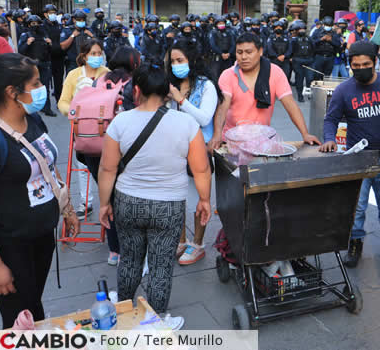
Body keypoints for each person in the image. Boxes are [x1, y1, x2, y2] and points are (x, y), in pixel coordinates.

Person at [98, 63, 211, 324]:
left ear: (136, 90)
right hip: (169, 206)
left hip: (129, 202)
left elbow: (107, 168)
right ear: (167, 92)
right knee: (161, 266)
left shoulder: (121, 122)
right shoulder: (187, 123)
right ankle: (155, 323)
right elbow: (202, 169)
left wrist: (104, 203)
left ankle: (125, 315)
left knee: (130, 260)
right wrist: (204, 200)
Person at [0, 53, 79, 328]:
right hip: (10, 245)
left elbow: (48, 165)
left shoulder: (34, 119)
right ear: (12, 92)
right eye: (36, 83)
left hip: (41, 237)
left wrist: (67, 209)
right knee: (18, 319)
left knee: (32, 304)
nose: (42, 89)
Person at [319, 41, 380, 268]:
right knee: (356, 206)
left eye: (366, 64)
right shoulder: (344, 90)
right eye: (355, 65)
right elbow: (330, 119)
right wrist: (329, 139)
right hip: (357, 159)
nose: (361, 68)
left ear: (375, 62)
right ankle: (355, 243)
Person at [79, 46, 140, 266]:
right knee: (125, 200)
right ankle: (130, 247)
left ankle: (114, 250)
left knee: (108, 199)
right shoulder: (132, 84)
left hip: (93, 148)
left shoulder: (98, 81)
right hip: (120, 151)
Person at [209, 33, 320, 150]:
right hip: (232, 140)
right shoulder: (228, 75)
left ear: (260, 51)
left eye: (249, 52)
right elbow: (222, 107)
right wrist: (217, 135)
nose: (244, 57)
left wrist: (305, 134)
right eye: (239, 52)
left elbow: (290, 104)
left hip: (262, 140)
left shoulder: (275, 72)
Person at [167, 41, 222, 265]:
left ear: (192, 60)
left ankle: (197, 244)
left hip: (200, 149)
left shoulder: (206, 86)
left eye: (180, 60)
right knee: (176, 197)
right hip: (174, 149)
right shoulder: (171, 84)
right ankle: (181, 241)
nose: (176, 65)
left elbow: (204, 118)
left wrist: (180, 99)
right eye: (172, 61)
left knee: (201, 198)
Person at [58, 39, 109, 218]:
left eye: (99, 53)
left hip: (103, 128)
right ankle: (85, 202)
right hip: (80, 128)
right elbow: (62, 101)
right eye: (93, 54)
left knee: (106, 165)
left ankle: (107, 201)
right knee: (82, 165)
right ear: (84, 56)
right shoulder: (74, 75)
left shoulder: (107, 74)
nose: (97, 57)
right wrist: (73, 111)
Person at [17, 15, 56, 117]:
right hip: (32, 65)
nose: (36, 25)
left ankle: (47, 108)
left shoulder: (43, 34)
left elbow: (50, 51)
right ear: (29, 24)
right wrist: (27, 43)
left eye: (37, 23)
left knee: (45, 86)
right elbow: (20, 50)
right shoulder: (26, 35)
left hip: (44, 63)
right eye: (33, 23)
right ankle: (30, 107)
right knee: (30, 87)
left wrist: (50, 44)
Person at [42, 4, 65, 108]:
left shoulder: (58, 25)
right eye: (50, 13)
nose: (53, 15)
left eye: (54, 13)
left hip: (59, 56)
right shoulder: (42, 26)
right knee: (46, 82)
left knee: (59, 80)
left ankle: (59, 101)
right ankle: (46, 106)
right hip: (48, 57)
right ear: (45, 14)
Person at [290, 22, 315, 102]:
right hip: (298, 61)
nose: (302, 31)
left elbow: (314, 48)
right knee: (299, 79)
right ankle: (300, 95)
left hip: (309, 61)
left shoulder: (309, 38)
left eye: (303, 29)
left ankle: (308, 93)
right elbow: (291, 50)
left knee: (310, 78)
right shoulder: (294, 40)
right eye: (300, 29)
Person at [208, 16, 235, 81]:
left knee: (229, 74)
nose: (221, 25)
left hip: (228, 56)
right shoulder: (213, 32)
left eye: (223, 23)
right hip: (217, 56)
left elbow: (233, 44)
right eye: (219, 23)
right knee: (216, 75)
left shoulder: (229, 32)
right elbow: (213, 45)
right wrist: (221, 53)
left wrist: (229, 53)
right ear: (216, 24)